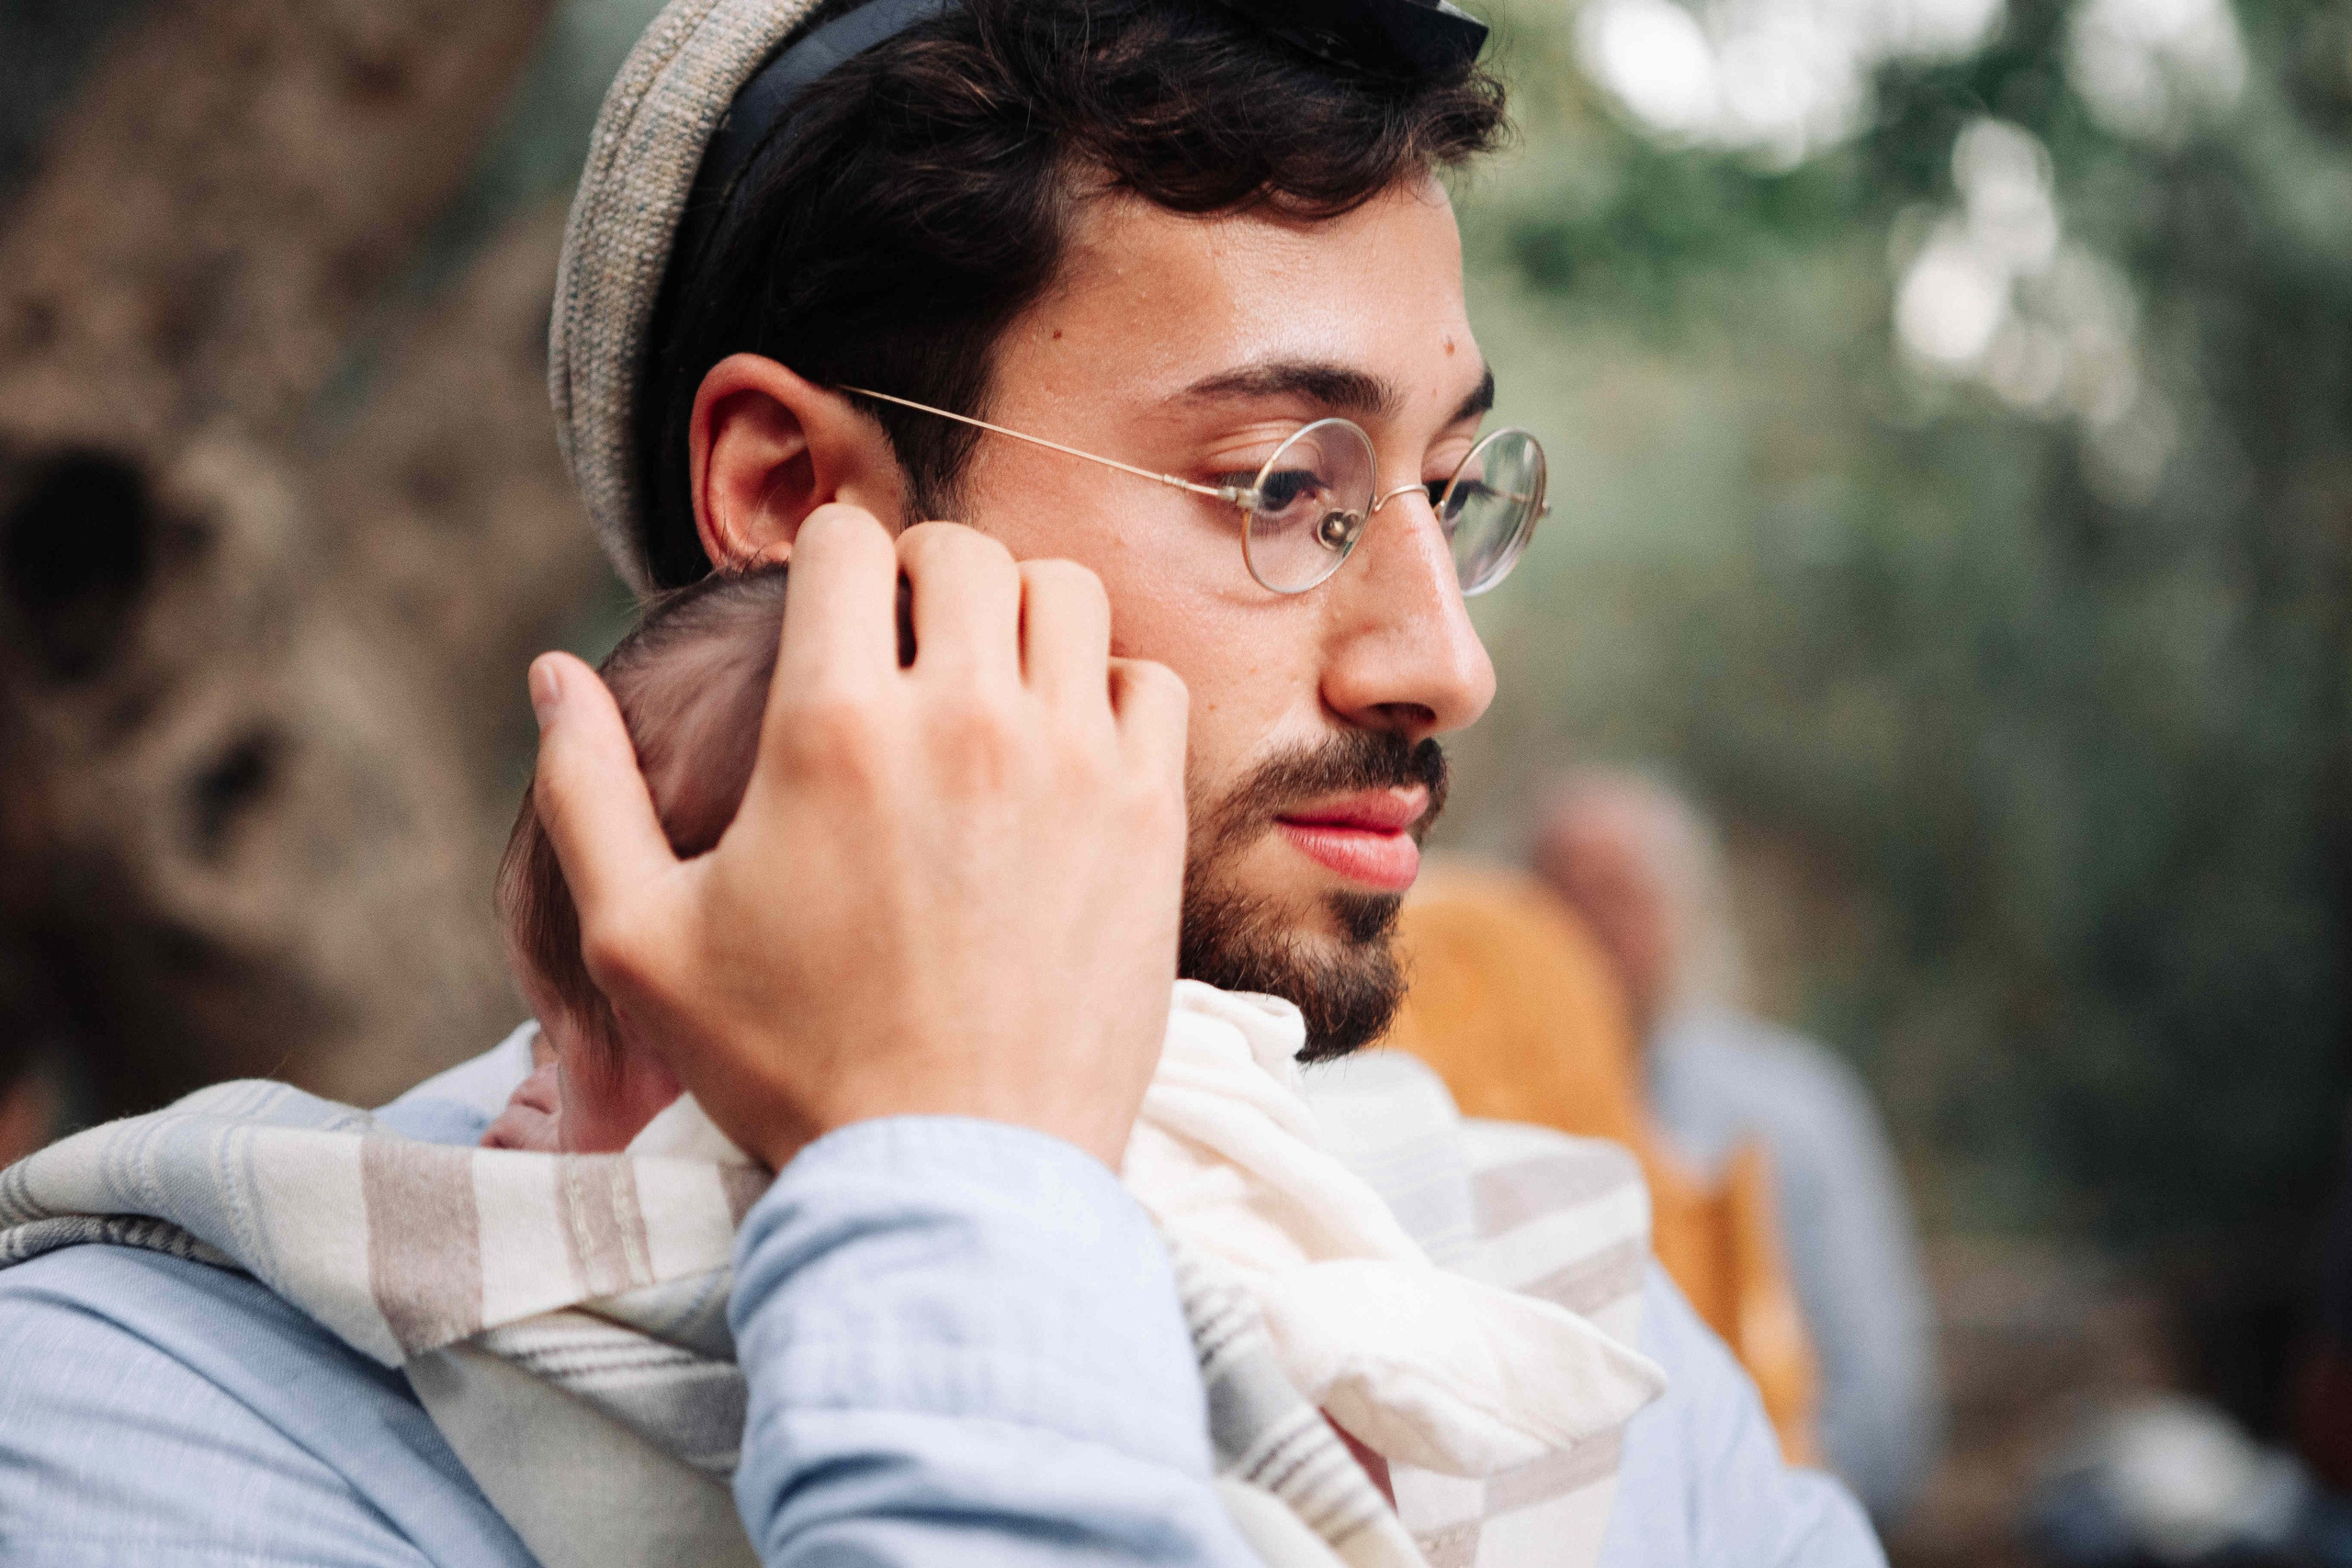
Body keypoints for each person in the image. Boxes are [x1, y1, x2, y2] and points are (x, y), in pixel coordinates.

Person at [0, 0, 1885, 1562]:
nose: (1439, 657)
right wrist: (958, 1177)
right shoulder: (149, 1420)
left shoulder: (1568, 1346)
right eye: (1281, 490)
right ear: (800, 511)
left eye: (1444, 491)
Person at [1535, 767, 1942, 1521]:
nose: (1580, 932)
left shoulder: (1793, 1112)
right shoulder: (1481, 1125)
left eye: (1617, 895)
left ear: (1684, 914)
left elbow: (1880, 1412)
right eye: (1554, 898)